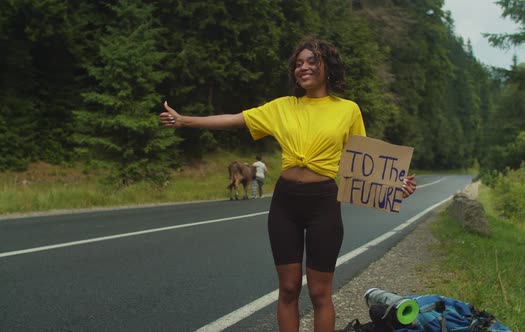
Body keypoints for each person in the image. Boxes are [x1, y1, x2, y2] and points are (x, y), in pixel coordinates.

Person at [160, 37, 417, 332]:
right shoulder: (282, 107)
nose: (303, 67)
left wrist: (392, 186)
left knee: (320, 293)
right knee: (289, 288)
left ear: (327, 68)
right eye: (298, 63)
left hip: (323, 202)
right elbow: (233, 119)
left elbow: (362, 161)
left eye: (311, 61)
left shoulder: (348, 110)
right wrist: (185, 121)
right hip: (286, 203)